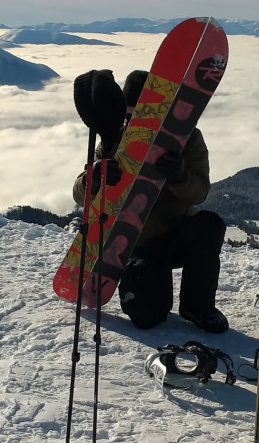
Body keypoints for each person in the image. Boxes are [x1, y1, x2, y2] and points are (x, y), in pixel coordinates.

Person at [71, 69, 229, 334]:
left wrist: (179, 176)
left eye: (141, 115)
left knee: (209, 225)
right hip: (138, 245)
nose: (134, 123)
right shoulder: (115, 138)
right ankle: (143, 289)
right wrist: (94, 177)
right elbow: (79, 195)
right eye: (128, 115)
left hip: (178, 235)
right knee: (147, 316)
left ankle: (198, 307)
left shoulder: (187, 137)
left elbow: (200, 192)